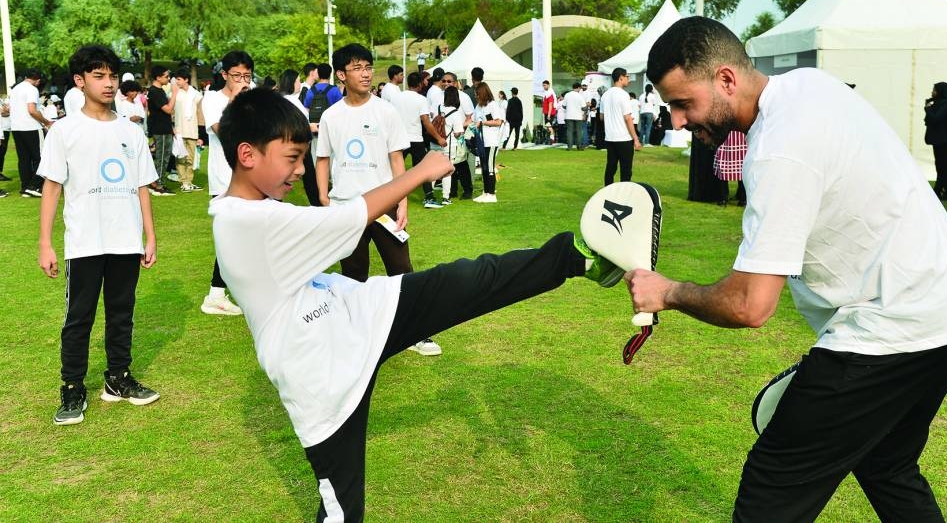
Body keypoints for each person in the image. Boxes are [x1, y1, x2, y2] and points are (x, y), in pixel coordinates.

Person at [209, 85, 634, 522]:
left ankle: (577, 257)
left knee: (471, 279)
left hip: (359, 314)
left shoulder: (256, 211)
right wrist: (420, 170)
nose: (299, 170)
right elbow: (345, 219)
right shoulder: (243, 222)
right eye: (292, 157)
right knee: (342, 507)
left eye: (302, 158)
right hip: (322, 373)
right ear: (248, 155)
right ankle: (574, 257)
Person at [630, 16, 947, 522]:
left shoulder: (779, 151)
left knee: (771, 489)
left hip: (892, 329)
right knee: (886, 462)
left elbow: (750, 305)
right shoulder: (808, 84)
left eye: (682, 103)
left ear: (726, 79)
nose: (678, 121)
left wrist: (667, 292)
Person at [37, 44, 161, 426]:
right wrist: (45, 242)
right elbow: (52, 187)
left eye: (111, 75)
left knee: (122, 314)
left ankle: (117, 378)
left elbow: (142, 186)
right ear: (80, 81)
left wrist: (149, 236)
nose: (108, 84)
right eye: (98, 76)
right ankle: (72, 387)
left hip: (126, 239)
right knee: (79, 317)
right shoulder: (65, 130)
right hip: (85, 241)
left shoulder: (131, 130)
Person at [315, 43, 442, 357]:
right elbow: (322, 160)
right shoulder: (332, 115)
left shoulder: (386, 111)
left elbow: (396, 158)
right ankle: (353, 335)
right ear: (341, 75)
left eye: (368, 67)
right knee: (353, 276)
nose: (366, 73)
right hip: (347, 208)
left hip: (384, 205)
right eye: (357, 68)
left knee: (401, 269)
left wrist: (402, 200)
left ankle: (416, 332)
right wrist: (323, 198)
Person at [200, 50, 252, 317]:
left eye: (247, 75)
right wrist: (235, 99)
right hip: (225, 181)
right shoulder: (211, 99)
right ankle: (216, 294)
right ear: (224, 75)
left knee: (247, 237)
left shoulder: (252, 98)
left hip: (253, 178)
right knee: (232, 238)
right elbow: (227, 134)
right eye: (237, 75)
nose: (243, 81)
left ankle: (220, 292)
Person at [391, 71, 443, 208]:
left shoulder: (396, 98)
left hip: (398, 139)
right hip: (415, 139)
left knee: (394, 169)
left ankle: (391, 198)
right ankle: (429, 197)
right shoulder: (421, 99)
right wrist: (439, 138)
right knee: (422, 169)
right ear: (419, 84)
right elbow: (426, 122)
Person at [277, 69, 321, 207]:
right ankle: (318, 205)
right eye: (298, 81)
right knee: (310, 179)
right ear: (291, 83)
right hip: (298, 146)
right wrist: (311, 127)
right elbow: (296, 124)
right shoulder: (290, 100)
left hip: (291, 146)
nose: (300, 84)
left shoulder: (283, 100)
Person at [10, 68, 52, 197]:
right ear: (38, 80)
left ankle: (26, 187)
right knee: (43, 157)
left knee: (24, 159)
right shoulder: (32, 89)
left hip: (16, 128)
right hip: (31, 127)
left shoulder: (16, 89)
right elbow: (32, 110)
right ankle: (34, 185)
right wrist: (46, 122)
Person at [600, 68, 641, 186]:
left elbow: (602, 117)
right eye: (627, 77)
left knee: (611, 167)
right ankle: (624, 194)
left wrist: (613, 117)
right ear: (621, 78)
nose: (628, 79)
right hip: (623, 137)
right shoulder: (623, 95)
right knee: (626, 169)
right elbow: (627, 118)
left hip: (610, 137)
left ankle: (607, 191)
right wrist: (636, 139)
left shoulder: (605, 95)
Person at [923, 82, 947, 201]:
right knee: (940, 165)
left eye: (934, 90)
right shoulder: (939, 103)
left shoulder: (946, 104)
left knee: (946, 166)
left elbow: (935, 118)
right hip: (940, 139)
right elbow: (929, 120)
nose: (932, 92)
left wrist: (928, 108)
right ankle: (939, 190)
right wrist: (929, 107)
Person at [145, 65, 177, 196]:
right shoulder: (155, 91)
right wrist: (175, 93)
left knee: (164, 156)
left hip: (164, 128)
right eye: (166, 76)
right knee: (162, 157)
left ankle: (157, 182)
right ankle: (158, 184)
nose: (168, 79)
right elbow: (168, 109)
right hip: (160, 130)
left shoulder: (159, 90)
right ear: (158, 77)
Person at [435, 85, 471, 202]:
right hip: (451, 144)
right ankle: (446, 196)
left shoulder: (439, 108)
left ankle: (430, 194)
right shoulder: (455, 113)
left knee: (435, 169)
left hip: (438, 142)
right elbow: (457, 132)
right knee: (450, 169)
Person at [171, 69, 203, 192]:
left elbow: (200, 114)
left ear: (186, 80)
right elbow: (170, 112)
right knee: (180, 158)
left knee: (190, 159)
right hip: (179, 131)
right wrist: (173, 128)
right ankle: (183, 182)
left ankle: (189, 182)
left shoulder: (196, 95)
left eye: (179, 79)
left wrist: (201, 134)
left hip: (192, 131)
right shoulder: (175, 94)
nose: (177, 82)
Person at [472, 82, 504, 203]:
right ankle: (485, 192)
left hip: (491, 141)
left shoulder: (493, 105)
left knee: (490, 167)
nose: (476, 96)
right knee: (484, 168)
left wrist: (483, 123)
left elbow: (498, 122)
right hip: (481, 141)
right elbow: (475, 120)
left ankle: (492, 194)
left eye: (478, 94)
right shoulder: (478, 107)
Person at [712, 130, 747, 207]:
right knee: (741, 167)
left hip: (728, 135)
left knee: (723, 166)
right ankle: (742, 199)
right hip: (737, 136)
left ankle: (723, 199)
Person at [563, 82, 587, 151]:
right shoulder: (580, 96)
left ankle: (569, 147)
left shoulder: (567, 95)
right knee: (579, 131)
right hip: (578, 116)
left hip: (569, 115)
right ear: (579, 88)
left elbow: (564, 106)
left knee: (569, 131)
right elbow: (583, 108)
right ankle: (579, 146)